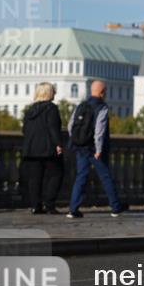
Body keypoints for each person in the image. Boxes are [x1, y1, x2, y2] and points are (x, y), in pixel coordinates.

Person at [67, 80, 129, 218]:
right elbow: (99, 131)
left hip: (81, 147)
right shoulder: (102, 107)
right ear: (102, 92)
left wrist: (77, 141)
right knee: (105, 177)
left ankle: (73, 209)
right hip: (95, 149)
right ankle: (115, 207)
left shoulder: (81, 105)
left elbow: (71, 125)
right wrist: (99, 149)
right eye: (105, 91)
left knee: (80, 177)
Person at [21, 82, 64, 214]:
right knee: (56, 174)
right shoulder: (51, 108)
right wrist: (58, 144)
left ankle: (35, 206)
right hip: (47, 148)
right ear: (49, 93)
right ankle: (49, 204)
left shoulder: (30, 110)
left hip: (31, 149)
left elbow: (25, 130)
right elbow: (53, 128)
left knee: (35, 178)